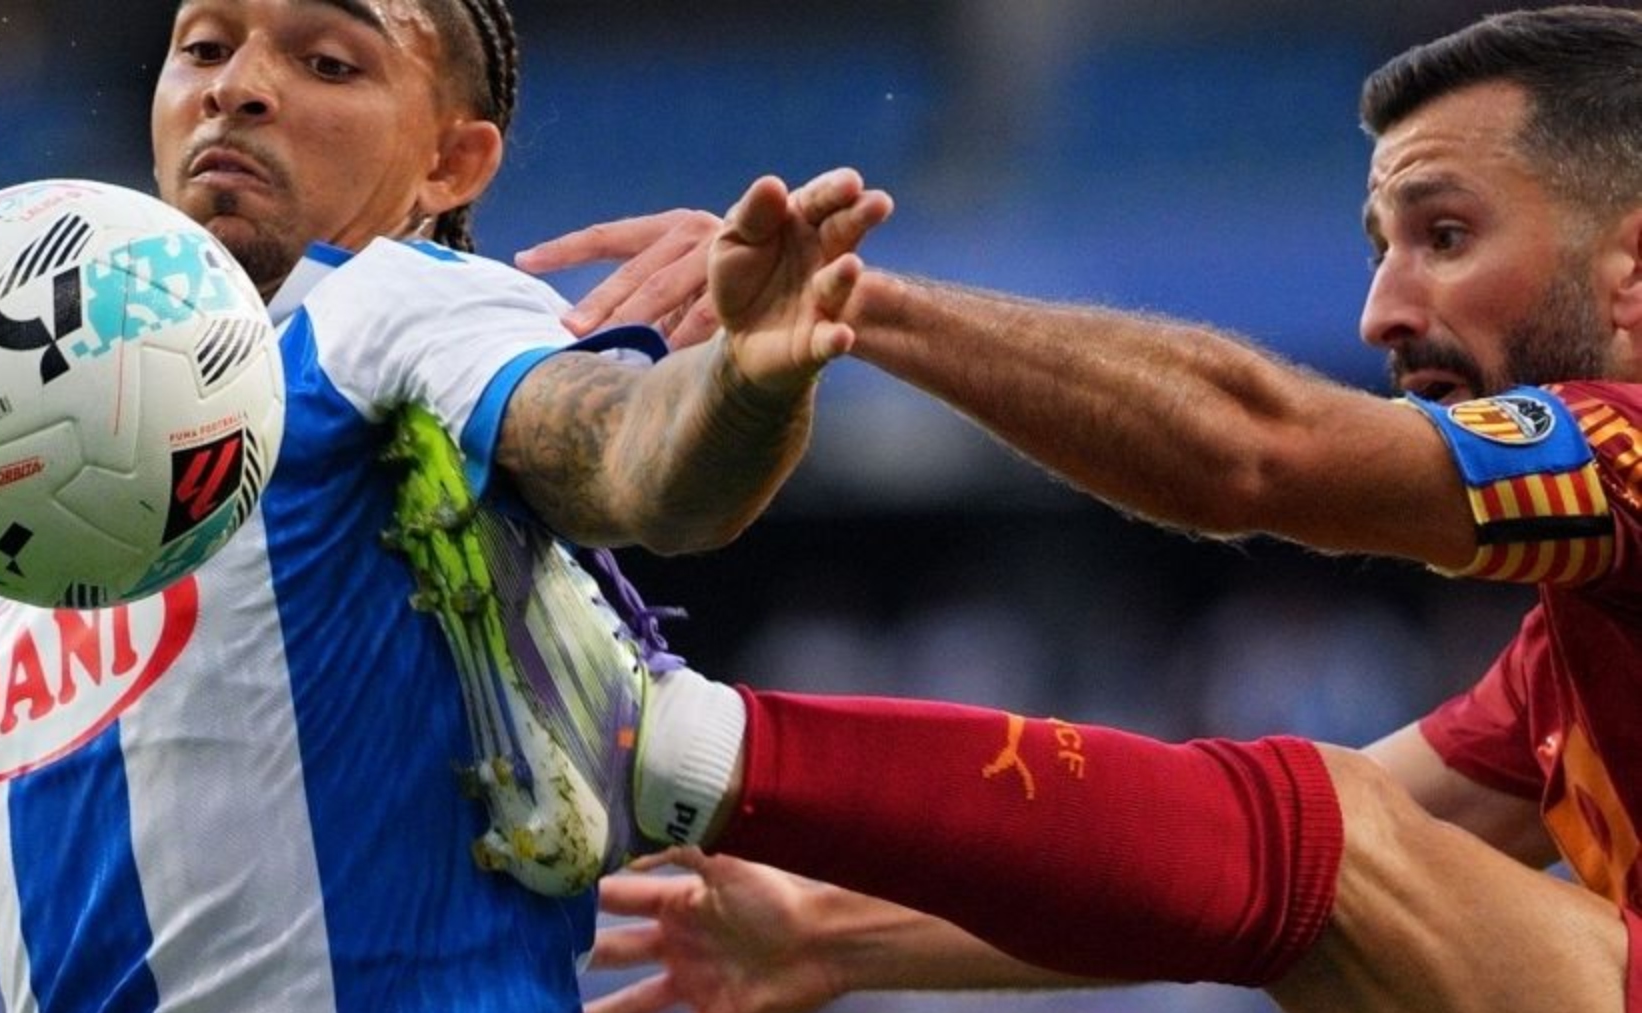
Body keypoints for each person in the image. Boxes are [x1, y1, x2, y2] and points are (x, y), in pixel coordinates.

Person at [513, 5, 1642, 1012]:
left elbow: (1259, 451)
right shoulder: (1568, 659)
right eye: (1381, 249)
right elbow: (1218, 863)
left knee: (1335, 833)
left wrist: (848, 303)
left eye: (1445, 237)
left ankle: (678, 739)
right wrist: (833, 932)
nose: (1381, 312)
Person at [0, 1, 891, 1011]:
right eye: (203, 48)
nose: (237, 88)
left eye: (328, 62)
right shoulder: (8, 546)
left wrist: (742, 385)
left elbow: (634, 462)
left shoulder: (396, 307)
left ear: (449, 164)